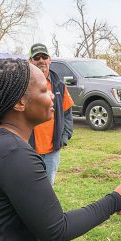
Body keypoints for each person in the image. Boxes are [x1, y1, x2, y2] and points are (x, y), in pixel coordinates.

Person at [0, 58, 121, 241]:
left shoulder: (3, 143)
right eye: (43, 90)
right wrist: (115, 200)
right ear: (19, 103)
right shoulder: (15, 154)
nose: (52, 95)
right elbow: (56, 229)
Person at [29, 43, 74, 185]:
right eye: (37, 57)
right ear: (30, 61)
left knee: (48, 188)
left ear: (50, 59)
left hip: (52, 150)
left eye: (44, 56)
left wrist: (64, 137)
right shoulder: (23, 84)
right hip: (28, 149)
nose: (41, 60)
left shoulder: (59, 85)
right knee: (28, 186)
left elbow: (67, 113)